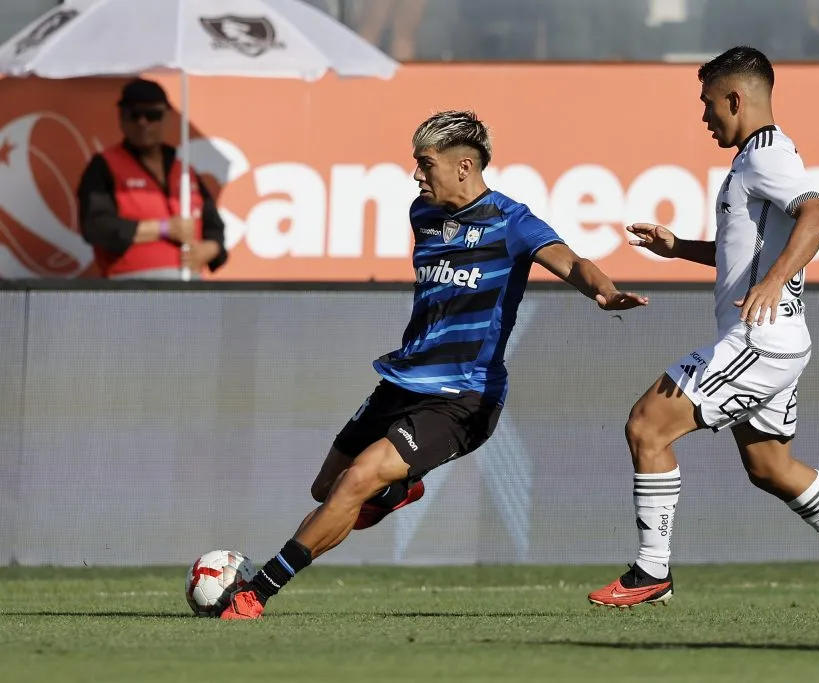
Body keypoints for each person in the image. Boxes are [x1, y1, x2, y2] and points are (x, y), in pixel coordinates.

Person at [220, 110, 649, 620]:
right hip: (402, 379)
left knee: (357, 482)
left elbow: (569, 260)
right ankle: (400, 489)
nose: (417, 175)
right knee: (327, 490)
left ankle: (257, 591)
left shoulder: (511, 221)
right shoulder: (421, 215)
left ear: (464, 166)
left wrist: (602, 290)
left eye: (425, 164)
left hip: (464, 398)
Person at [587, 47, 819, 614]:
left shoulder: (767, 156)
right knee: (768, 465)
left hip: (759, 340)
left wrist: (776, 282)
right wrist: (681, 248)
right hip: (778, 339)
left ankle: (650, 572)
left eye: (709, 104)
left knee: (647, 427)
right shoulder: (756, 160)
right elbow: (751, 254)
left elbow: (818, 215)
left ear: (736, 98)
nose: (704, 116)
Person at [77, 78, 227, 280]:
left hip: (189, 287)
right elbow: (96, 226)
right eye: (134, 115)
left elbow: (214, 226)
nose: (143, 123)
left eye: (152, 115)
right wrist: (163, 229)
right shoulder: (104, 166)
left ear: (168, 118)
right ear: (121, 118)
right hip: (132, 289)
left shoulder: (184, 171)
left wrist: (210, 249)